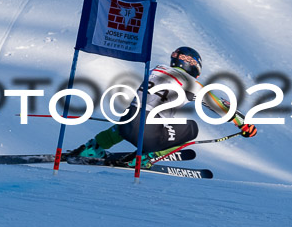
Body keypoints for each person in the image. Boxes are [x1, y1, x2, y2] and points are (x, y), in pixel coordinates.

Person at [69, 46, 257, 161]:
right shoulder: (191, 83)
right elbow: (219, 105)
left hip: (126, 123)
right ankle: (148, 157)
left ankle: (92, 148)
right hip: (149, 133)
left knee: (132, 118)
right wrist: (243, 123)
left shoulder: (155, 70)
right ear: (193, 66)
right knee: (191, 127)